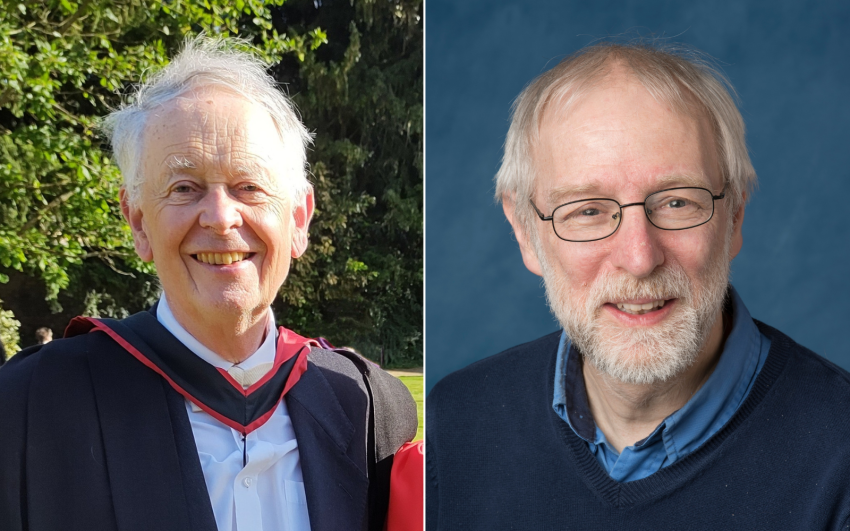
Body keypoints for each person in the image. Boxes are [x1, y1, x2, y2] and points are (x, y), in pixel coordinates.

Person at [426, 42, 850, 529]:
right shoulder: (456, 424)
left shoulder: (839, 459)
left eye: (676, 203)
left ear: (734, 216)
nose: (639, 258)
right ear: (525, 230)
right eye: (587, 210)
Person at [0, 36, 416, 531]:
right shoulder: (28, 408)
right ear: (137, 222)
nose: (220, 217)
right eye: (184, 188)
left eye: (249, 186)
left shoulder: (368, 409)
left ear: (299, 219)